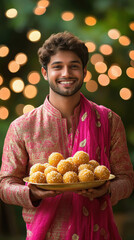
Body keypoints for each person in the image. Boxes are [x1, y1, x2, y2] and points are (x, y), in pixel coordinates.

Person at [0, 31, 134, 240]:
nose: (66, 73)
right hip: (46, 235)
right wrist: (32, 193)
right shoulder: (23, 126)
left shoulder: (109, 120)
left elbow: (126, 179)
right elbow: (5, 184)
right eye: (57, 66)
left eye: (73, 66)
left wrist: (107, 190)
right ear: (45, 72)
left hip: (97, 233)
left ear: (84, 71)